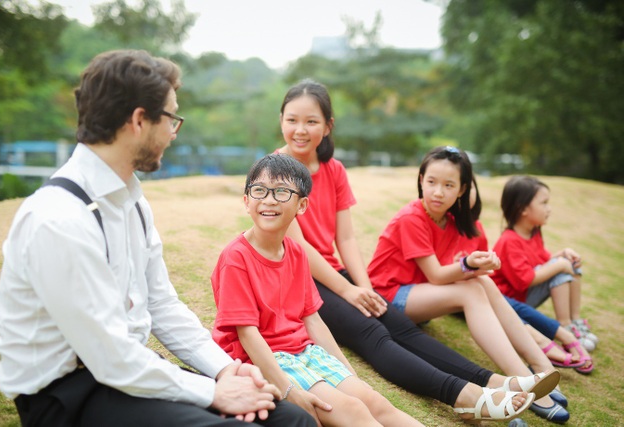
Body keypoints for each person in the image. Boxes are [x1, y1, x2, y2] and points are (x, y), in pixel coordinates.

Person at [0, 50, 315, 427]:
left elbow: (162, 305)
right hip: (67, 394)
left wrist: (226, 370)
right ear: (139, 120)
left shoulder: (131, 199)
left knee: (289, 420)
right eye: (171, 119)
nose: (173, 133)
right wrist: (215, 392)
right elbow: (109, 355)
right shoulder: (58, 218)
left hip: (130, 370)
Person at [274, 79, 548, 423]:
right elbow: (299, 247)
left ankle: (495, 382)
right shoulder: (275, 172)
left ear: (328, 126)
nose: (300, 130)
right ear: (281, 119)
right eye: (292, 120)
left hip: (335, 275)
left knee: (401, 326)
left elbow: (345, 239)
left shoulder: (334, 169)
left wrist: (365, 287)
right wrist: (349, 291)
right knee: (374, 335)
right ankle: (466, 396)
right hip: (299, 282)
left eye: (311, 121)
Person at [211, 153, 427, 426]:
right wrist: (289, 391)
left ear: (302, 206)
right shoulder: (236, 258)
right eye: (259, 190)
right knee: (353, 411)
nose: (268, 199)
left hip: (305, 353)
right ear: (246, 201)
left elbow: (312, 319)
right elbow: (247, 334)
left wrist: (349, 374)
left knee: (373, 402)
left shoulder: (297, 254)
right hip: (262, 360)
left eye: (281, 192)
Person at [367, 146, 569, 423]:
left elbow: (453, 271)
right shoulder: (411, 217)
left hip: (417, 295)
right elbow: (437, 275)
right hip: (388, 297)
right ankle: (523, 379)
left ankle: (539, 366)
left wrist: (479, 264)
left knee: (481, 281)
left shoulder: (449, 221)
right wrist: (468, 266)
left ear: (462, 190)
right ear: (421, 180)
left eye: (448, 185)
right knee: (471, 288)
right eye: (431, 182)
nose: (438, 192)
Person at [491, 175, 598, 353]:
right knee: (561, 270)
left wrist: (563, 255)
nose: (549, 209)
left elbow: (544, 263)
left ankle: (575, 321)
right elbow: (524, 280)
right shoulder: (509, 241)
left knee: (570, 264)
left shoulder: (533, 232)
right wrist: (559, 265)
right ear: (523, 209)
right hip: (510, 303)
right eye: (544, 203)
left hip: (525, 296)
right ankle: (565, 326)